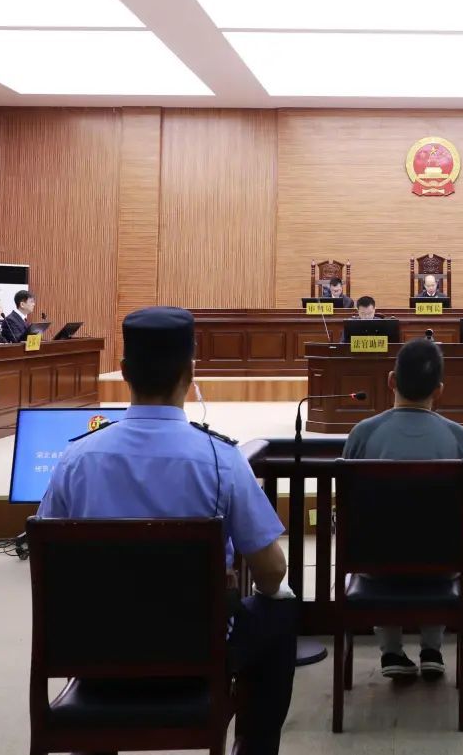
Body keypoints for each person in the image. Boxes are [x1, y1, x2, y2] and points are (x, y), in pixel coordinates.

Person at [37, 307, 297, 755]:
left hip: (96, 652)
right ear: (190, 374)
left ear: (124, 373)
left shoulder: (76, 460)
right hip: (197, 653)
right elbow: (272, 573)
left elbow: (49, 567)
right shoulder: (221, 460)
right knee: (279, 614)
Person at [342, 338, 463, 681]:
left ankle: (391, 651)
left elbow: (346, 508)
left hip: (375, 565)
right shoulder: (458, 437)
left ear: (391, 380)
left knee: (379, 537)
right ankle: (432, 649)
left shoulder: (361, 434)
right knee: (438, 539)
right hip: (441, 566)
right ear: (440, 390)